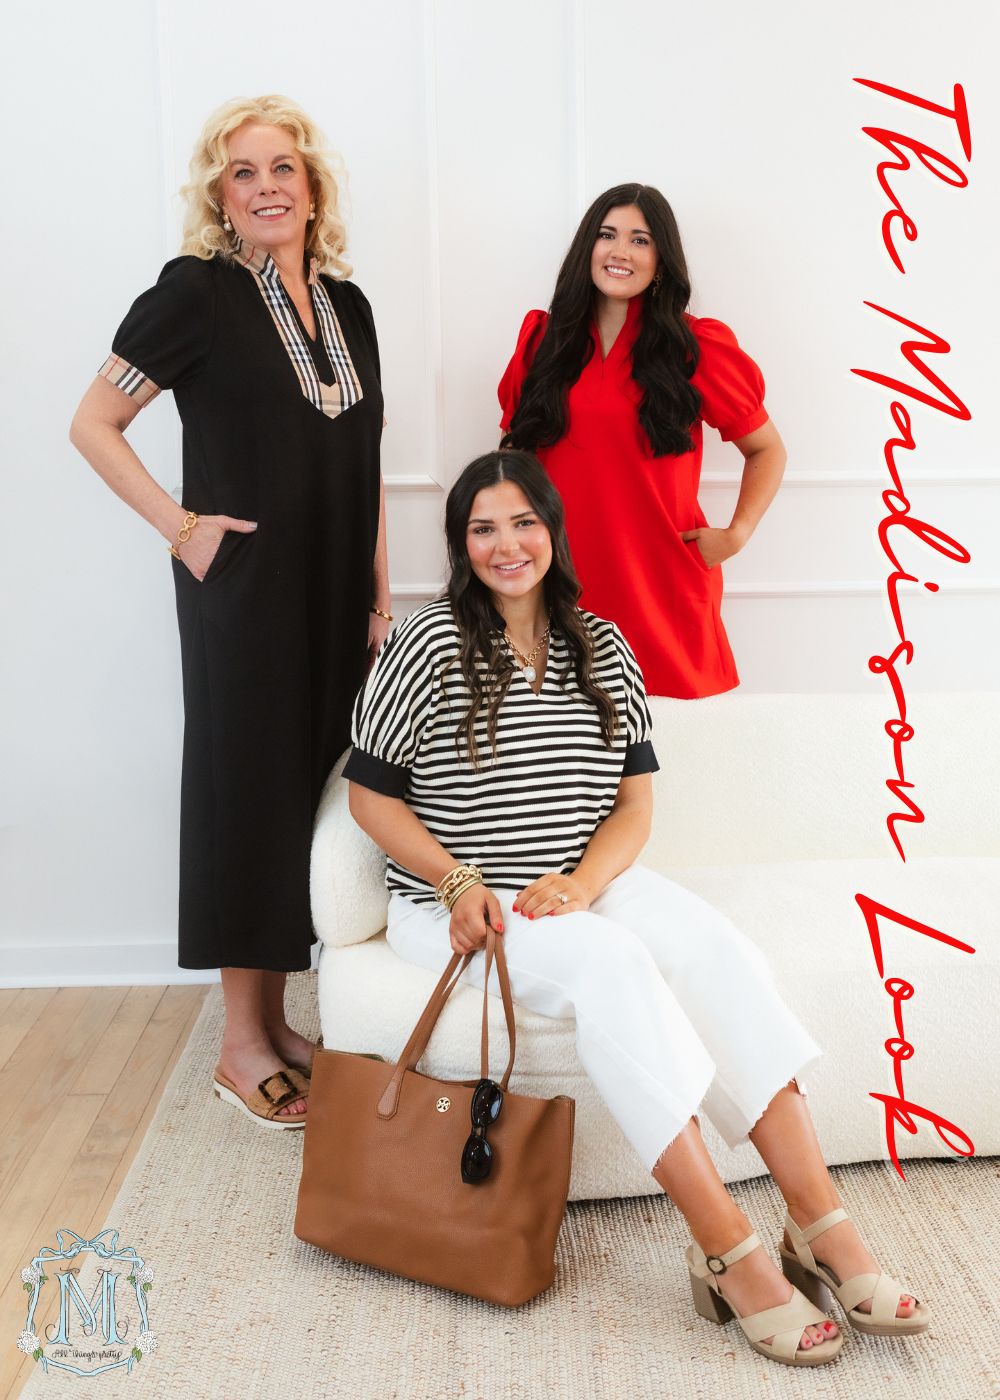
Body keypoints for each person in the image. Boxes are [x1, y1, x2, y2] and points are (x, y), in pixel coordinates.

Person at [345, 450, 928, 1365]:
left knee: (715, 950)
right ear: (461, 545)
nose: (506, 545)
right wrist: (457, 882)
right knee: (611, 964)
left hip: (579, 881)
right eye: (483, 528)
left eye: (524, 522)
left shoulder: (602, 645)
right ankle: (728, 1249)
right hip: (455, 901)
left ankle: (821, 1224)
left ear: (553, 529)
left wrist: (583, 886)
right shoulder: (427, 643)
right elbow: (370, 797)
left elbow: (632, 806)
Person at [69, 95, 391, 1128]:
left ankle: (278, 1019)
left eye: (283, 167)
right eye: (243, 171)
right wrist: (182, 527)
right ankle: (240, 1043)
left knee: (305, 796)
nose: (266, 187)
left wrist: (380, 592)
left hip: (338, 593)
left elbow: (366, 462)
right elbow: (95, 420)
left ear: (313, 187)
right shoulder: (195, 295)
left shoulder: (350, 307)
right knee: (247, 796)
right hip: (245, 590)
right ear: (219, 194)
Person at [498, 182, 785, 699]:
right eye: (607, 235)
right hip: (559, 575)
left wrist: (736, 534)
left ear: (661, 259)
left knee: (676, 729)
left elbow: (766, 449)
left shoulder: (694, 347)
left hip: (662, 578)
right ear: (587, 246)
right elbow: (510, 460)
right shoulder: (543, 343)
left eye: (640, 240)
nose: (621, 251)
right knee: (563, 724)